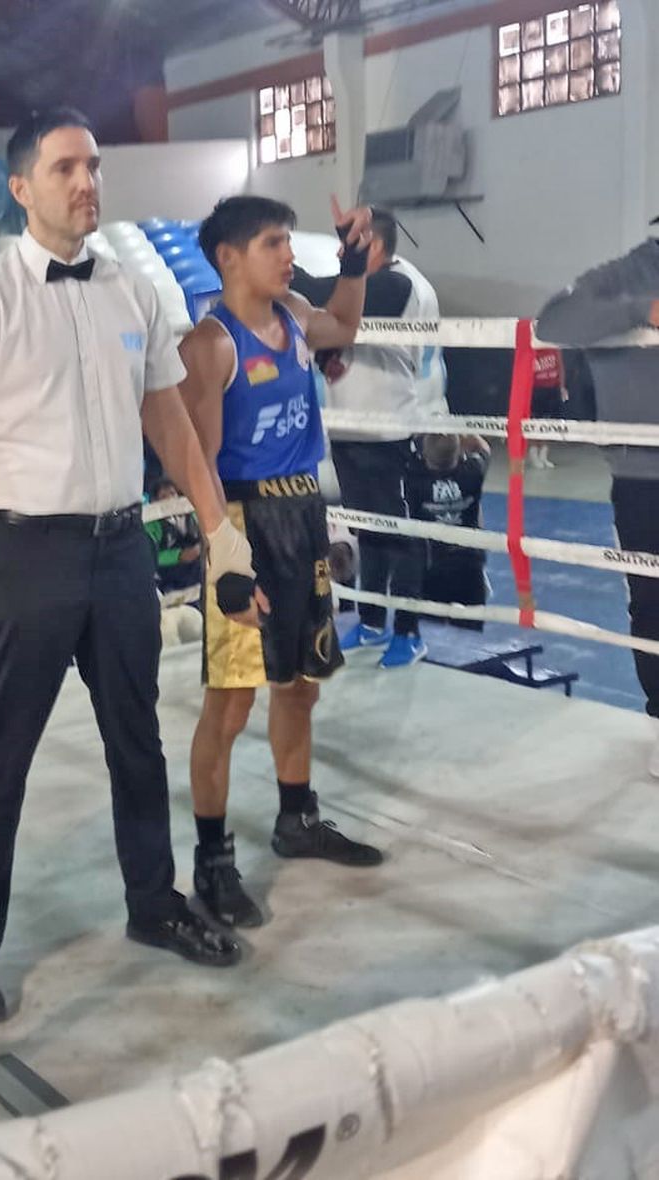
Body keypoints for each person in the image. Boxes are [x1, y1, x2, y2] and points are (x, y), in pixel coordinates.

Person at [0, 107, 260, 1025]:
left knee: (139, 740)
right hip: (26, 555)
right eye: (65, 169)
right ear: (22, 188)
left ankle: (153, 902)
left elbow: (166, 420)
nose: (87, 182)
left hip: (121, 546)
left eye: (93, 166)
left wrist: (222, 533)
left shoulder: (133, 288)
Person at [173, 194, 385, 932]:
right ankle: (212, 859)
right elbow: (195, 460)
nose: (288, 255)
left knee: (300, 687)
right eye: (273, 242)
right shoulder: (211, 343)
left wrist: (353, 264)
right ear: (230, 256)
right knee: (230, 704)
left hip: (303, 515)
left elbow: (347, 323)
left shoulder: (295, 310)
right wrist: (223, 555)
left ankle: (298, 819)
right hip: (242, 522)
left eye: (289, 241)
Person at [535, 230, 659, 774]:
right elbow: (554, 323)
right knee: (653, 602)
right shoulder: (630, 272)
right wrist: (644, 310)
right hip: (644, 473)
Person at [317, 207, 431, 669]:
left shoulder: (401, 282)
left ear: (374, 244)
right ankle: (370, 620)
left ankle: (408, 631)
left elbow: (324, 297)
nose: (342, 252)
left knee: (397, 533)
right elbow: (329, 330)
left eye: (350, 242)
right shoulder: (361, 285)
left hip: (388, 428)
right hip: (348, 424)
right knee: (367, 529)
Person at [406, 434, 490, 627]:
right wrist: (463, 436)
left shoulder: (415, 478)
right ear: (459, 451)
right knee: (470, 633)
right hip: (470, 565)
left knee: (433, 631)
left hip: (432, 565)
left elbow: (402, 454)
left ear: (425, 454)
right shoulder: (473, 472)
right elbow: (483, 447)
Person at [527, 347, 568, 469]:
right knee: (535, 422)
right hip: (536, 390)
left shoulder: (554, 348)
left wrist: (562, 387)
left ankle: (543, 455)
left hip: (552, 389)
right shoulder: (532, 349)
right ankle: (534, 453)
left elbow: (560, 367)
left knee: (549, 422)